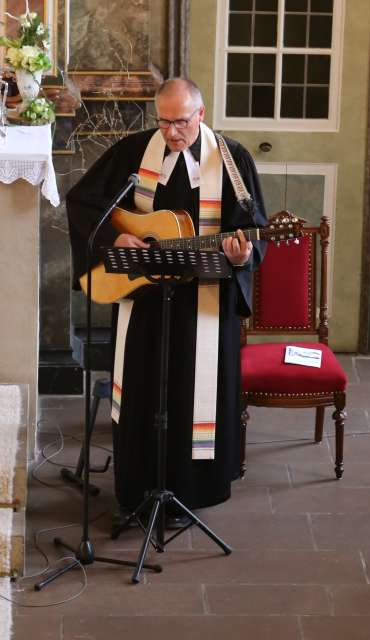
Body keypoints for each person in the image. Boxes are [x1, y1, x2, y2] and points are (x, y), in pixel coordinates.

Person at [66, 78, 267, 531]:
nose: (172, 132)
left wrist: (243, 254)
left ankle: (193, 491)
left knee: (192, 393)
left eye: (180, 121)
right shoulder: (136, 150)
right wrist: (115, 236)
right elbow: (83, 203)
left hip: (204, 303)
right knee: (144, 391)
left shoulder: (233, 160)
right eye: (164, 120)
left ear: (201, 113)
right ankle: (137, 489)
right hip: (144, 301)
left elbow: (251, 229)